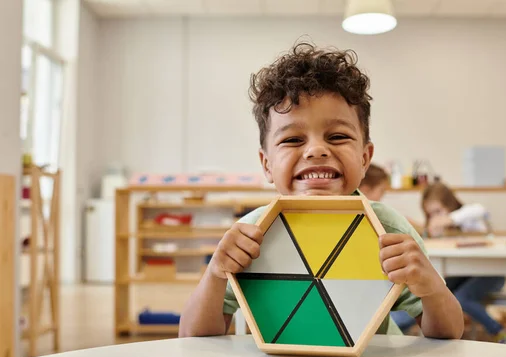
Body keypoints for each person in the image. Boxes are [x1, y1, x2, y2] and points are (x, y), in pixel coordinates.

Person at [178, 42, 463, 340]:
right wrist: (214, 274)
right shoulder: (251, 233)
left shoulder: (386, 229)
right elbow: (193, 337)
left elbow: (449, 333)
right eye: (292, 140)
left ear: (365, 158)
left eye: (337, 136)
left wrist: (430, 287)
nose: (316, 150)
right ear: (267, 165)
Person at [393, 182, 506, 343]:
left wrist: (448, 219)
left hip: (490, 275)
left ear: (449, 204)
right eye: (431, 214)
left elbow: (480, 210)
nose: (435, 217)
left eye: (438, 211)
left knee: (461, 297)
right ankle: (397, 327)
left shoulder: (469, 218)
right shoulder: (443, 230)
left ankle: (500, 331)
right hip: (465, 276)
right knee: (436, 290)